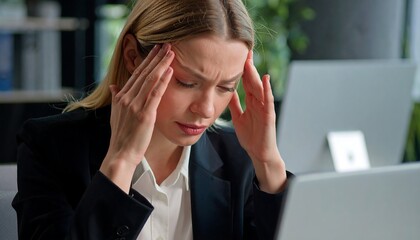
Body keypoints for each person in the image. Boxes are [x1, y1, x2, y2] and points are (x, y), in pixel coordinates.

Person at [12, 0, 292, 239]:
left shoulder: (240, 161)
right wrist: (120, 163)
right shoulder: (50, 148)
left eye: (226, 87)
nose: (206, 110)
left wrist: (268, 163)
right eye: (187, 82)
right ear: (133, 56)